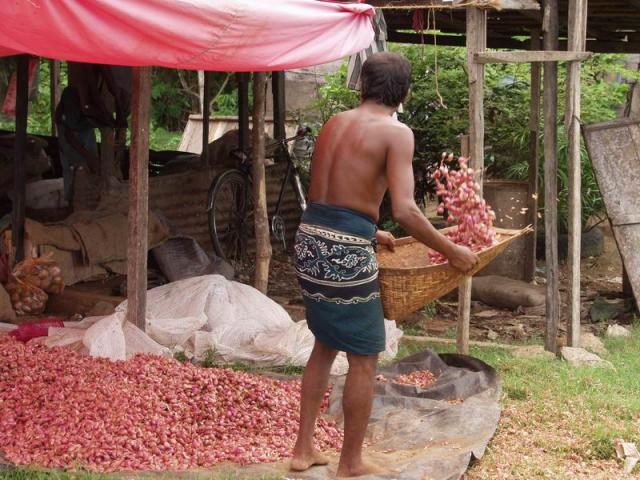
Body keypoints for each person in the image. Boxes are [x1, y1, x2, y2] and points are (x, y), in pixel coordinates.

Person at [290, 51, 479, 478]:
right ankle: (350, 462)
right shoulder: (397, 133)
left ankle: (303, 450)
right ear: (404, 92)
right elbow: (408, 210)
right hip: (344, 253)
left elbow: (329, 197)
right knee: (364, 355)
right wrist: (452, 250)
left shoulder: (334, 123)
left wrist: (368, 230)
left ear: (362, 85)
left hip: (310, 240)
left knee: (324, 343)